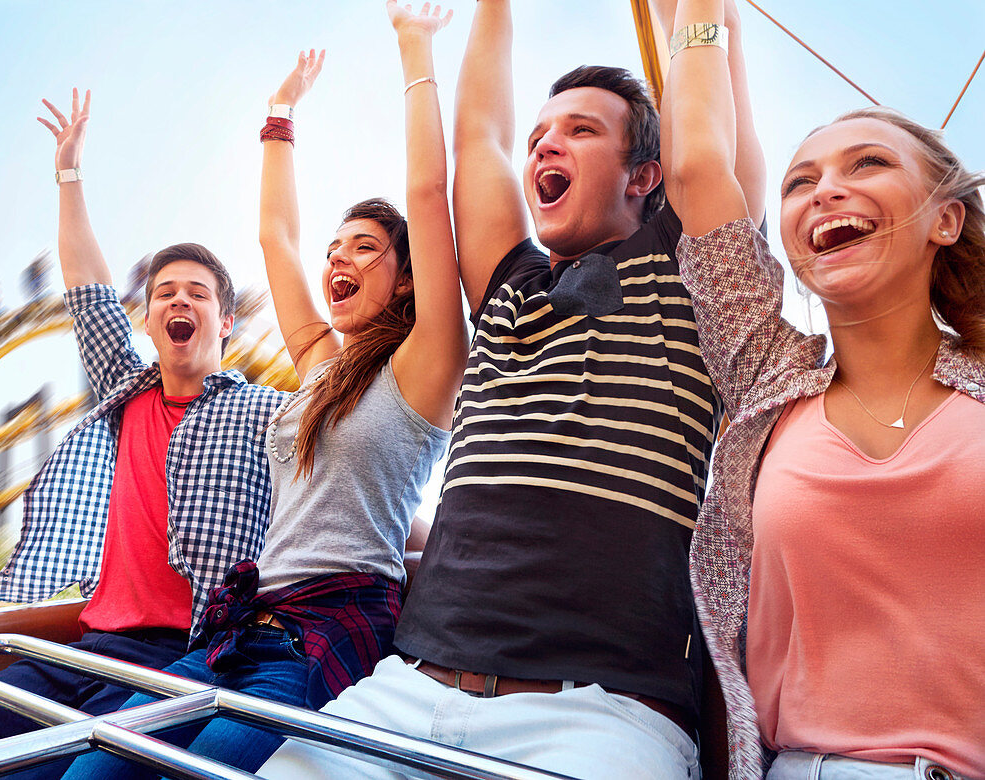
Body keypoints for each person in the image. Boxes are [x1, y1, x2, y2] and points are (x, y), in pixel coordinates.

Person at [259, 1, 763, 778]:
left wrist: (699, 16)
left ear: (645, 176)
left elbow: (708, 130)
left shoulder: (693, 270)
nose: (545, 145)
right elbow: (479, 141)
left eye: (581, 131)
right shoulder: (506, 288)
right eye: (539, 138)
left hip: (603, 715)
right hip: (406, 691)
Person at [60, 3, 467, 776]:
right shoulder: (321, 365)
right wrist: (279, 116)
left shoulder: (426, 366)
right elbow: (275, 238)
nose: (338, 258)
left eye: (366, 249)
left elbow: (427, 193)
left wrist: (415, 52)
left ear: (409, 278)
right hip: (247, 621)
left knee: (197, 771)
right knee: (95, 765)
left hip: (326, 629)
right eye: (336, 247)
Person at [0, 89, 286, 775]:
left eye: (198, 292)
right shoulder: (125, 392)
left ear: (225, 323)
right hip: (85, 647)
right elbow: (87, 287)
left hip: (181, 658)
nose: (178, 300)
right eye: (165, 292)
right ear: (151, 319)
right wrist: (69, 175)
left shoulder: (266, 412)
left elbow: (351, 473)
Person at [661, 0, 985, 777]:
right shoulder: (770, 377)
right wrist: (704, 17)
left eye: (866, 164)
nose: (824, 190)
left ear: (945, 219)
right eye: (800, 181)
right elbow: (700, 167)